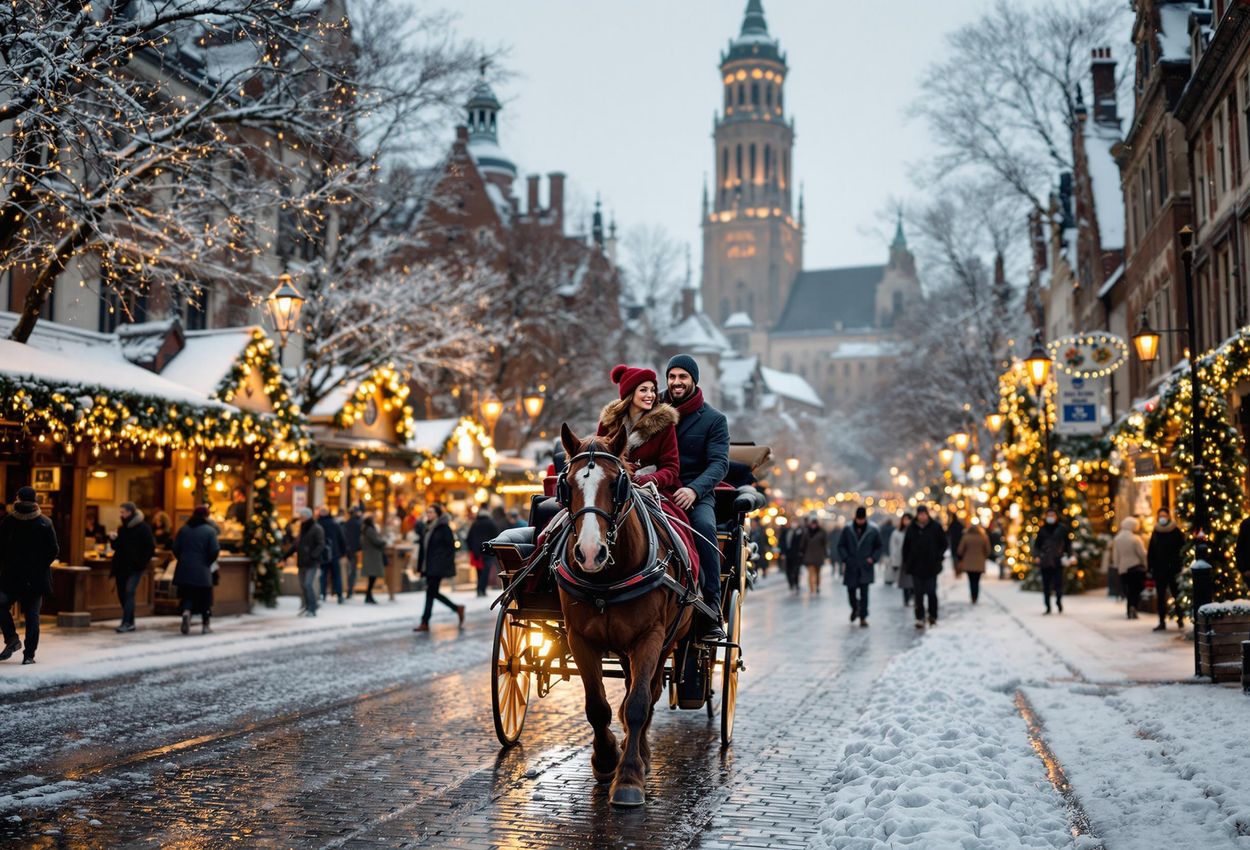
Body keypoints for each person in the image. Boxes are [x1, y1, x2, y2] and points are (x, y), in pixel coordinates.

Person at [597, 364, 698, 575]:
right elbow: (600, 458)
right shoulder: (609, 422)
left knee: (679, 529)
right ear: (629, 392)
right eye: (643, 390)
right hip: (613, 488)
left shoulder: (664, 424)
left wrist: (647, 479)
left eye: (653, 389)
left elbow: (671, 468)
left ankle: (689, 576)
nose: (650, 395)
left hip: (652, 490)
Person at [661, 354, 730, 639]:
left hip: (695, 493)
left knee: (704, 528)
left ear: (693, 381)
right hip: (657, 488)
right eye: (672, 377)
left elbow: (719, 464)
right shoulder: (654, 410)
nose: (676, 382)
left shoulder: (713, 419)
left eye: (683, 377)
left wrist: (694, 489)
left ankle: (712, 604)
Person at [0, 486, 59, 664]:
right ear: (35, 500)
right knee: (32, 617)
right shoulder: (45, 522)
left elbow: (0, 549)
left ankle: (12, 638)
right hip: (36, 578)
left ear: (17, 498)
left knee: (0, 605)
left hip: (12, 576)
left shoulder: (8, 521)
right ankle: (29, 656)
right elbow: (54, 550)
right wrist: (38, 567)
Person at [414, 504, 465, 632]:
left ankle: (425, 622)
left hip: (437, 566)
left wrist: (442, 562)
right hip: (428, 566)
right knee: (432, 593)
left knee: (430, 592)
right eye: (428, 512)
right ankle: (457, 608)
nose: (429, 514)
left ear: (437, 514)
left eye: (431, 512)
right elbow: (423, 549)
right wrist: (420, 567)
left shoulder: (444, 528)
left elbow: (451, 547)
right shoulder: (427, 528)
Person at [172, 504, 220, 635]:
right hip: (202, 569)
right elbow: (215, 550)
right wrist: (207, 563)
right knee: (205, 598)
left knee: (187, 594)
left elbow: (175, 548)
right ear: (206, 516)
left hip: (184, 569)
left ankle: (186, 611)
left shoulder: (184, 529)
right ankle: (205, 625)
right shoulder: (209, 531)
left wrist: (182, 559)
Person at [110, 501, 155, 633]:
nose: (121, 515)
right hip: (121, 566)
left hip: (135, 567)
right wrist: (113, 539)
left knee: (129, 592)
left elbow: (150, 548)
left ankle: (125, 622)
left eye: (123, 512)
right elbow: (118, 547)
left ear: (130, 512)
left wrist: (141, 563)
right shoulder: (122, 528)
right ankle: (131, 622)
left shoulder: (143, 528)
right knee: (122, 594)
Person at [902, 504, 946, 629]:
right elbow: (906, 547)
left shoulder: (935, 527)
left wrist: (939, 556)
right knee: (918, 594)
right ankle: (920, 617)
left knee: (932, 592)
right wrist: (907, 562)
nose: (922, 517)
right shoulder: (912, 528)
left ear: (927, 514)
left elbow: (943, 544)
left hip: (931, 566)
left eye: (924, 514)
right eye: (920, 514)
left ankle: (933, 616)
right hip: (916, 567)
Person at [837, 506, 882, 627]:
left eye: (862, 519)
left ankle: (863, 617)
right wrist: (846, 558)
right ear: (855, 518)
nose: (860, 521)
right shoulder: (847, 529)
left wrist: (872, 558)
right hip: (851, 566)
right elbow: (841, 546)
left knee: (864, 593)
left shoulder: (873, 530)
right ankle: (855, 608)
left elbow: (878, 546)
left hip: (865, 566)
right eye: (858, 519)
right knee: (851, 591)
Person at [1148, 507, 1185, 631]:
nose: (1162, 518)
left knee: (1176, 595)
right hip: (1160, 570)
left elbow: (1182, 549)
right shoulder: (1156, 531)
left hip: (1173, 569)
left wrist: (1178, 565)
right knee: (1161, 596)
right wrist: (1151, 567)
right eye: (1160, 516)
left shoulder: (1176, 531)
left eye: (1164, 515)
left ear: (1169, 517)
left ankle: (1180, 618)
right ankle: (1161, 621)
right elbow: (1151, 551)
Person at [1033, 507, 1072, 615]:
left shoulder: (1062, 529)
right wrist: (1036, 556)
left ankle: (1058, 601)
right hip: (1045, 562)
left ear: (1056, 516)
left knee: (1058, 585)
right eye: (1049, 515)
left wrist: (1070, 555)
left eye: (1052, 515)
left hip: (1057, 561)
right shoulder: (1041, 530)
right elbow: (1036, 545)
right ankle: (1048, 606)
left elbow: (1068, 544)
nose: (1051, 517)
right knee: (1046, 586)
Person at [1112, 516, 1147, 620]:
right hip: (1135, 567)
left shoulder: (1117, 539)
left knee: (1128, 590)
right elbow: (1142, 554)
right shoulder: (1135, 539)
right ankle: (1133, 607)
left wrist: (1117, 566)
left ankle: (1129, 609)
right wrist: (1146, 565)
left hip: (1123, 568)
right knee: (1135, 589)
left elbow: (1115, 555)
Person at [293, 508, 324, 616]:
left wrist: (313, 555)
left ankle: (312, 608)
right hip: (302, 561)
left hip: (311, 562)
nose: (301, 518)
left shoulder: (316, 528)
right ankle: (307, 606)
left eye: (303, 516)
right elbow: (297, 544)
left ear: (308, 516)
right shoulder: (302, 528)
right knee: (303, 585)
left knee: (308, 584)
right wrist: (286, 554)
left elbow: (321, 544)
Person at [467, 507, 500, 598]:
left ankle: (479, 589)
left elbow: (469, 538)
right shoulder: (491, 523)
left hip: (477, 550)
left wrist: (472, 549)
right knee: (486, 570)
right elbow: (496, 536)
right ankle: (482, 589)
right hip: (488, 550)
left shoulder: (475, 523)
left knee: (479, 571)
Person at [316, 506, 347, 604]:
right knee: (336, 576)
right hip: (334, 554)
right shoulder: (334, 524)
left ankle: (323, 595)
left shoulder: (318, 524)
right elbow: (341, 539)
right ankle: (339, 595)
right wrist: (342, 552)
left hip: (323, 554)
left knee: (324, 575)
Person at [956, 518, 990, 604]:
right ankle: (975, 596)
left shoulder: (966, 537)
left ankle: (973, 596)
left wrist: (962, 557)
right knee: (977, 581)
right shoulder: (983, 537)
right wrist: (983, 557)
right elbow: (988, 550)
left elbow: (960, 550)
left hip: (968, 563)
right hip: (979, 563)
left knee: (971, 581)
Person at [360, 513, 388, 604]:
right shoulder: (370, 530)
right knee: (372, 576)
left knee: (372, 577)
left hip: (371, 555)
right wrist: (384, 542)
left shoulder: (366, 529)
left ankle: (369, 595)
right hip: (372, 555)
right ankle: (368, 595)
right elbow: (376, 541)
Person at [888, 513, 914, 606]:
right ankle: (906, 599)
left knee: (913, 581)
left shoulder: (915, 531)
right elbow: (893, 548)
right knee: (904, 582)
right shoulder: (896, 533)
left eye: (909, 519)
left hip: (913, 560)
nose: (907, 522)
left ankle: (912, 597)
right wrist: (894, 561)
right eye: (905, 519)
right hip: (902, 560)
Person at [342, 506, 363, 600]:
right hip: (355, 550)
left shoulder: (346, 524)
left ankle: (349, 589)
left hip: (348, 550)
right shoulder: (358, 523)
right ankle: (350, 589)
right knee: (352, 570)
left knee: (349, 570)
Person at [783, 519, 805, 593]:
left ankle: (796, 583)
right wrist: (783, 553)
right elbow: (782, 542)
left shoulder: (800, 531)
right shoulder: (786, 531)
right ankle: (791, 583)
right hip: (788, 554)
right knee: (788, 570)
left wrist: (801, 552)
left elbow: (802, 542)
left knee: (796, 569)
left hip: (797, 554)